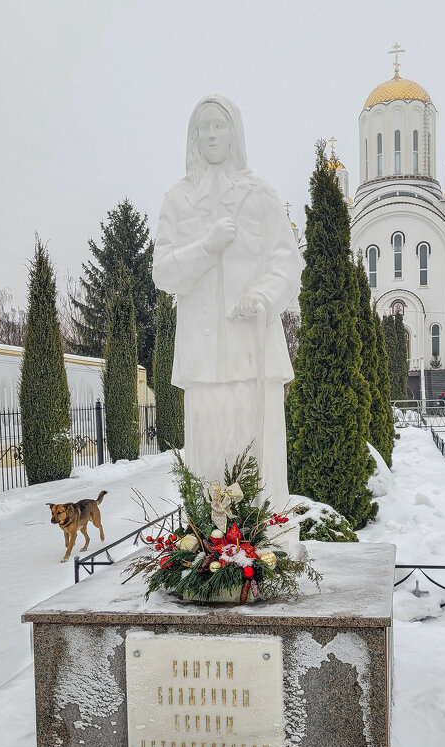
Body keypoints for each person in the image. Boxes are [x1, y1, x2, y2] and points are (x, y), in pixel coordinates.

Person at [152, 95, 302, 512]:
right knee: (209, 463)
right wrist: (207, 246)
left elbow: (287, 261)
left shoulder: (260, 195)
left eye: (220, 125)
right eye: (205, 127)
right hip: (203, 360)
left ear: (234, 133)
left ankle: (263, 534)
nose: (213, 135)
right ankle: (209, 537)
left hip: (253, 351)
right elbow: (163, 272)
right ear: (194, 136)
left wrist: (264, 294)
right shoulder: (178, 199)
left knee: (259, 458)